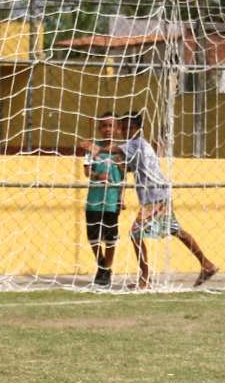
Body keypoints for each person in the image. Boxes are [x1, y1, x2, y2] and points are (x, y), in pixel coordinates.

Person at [94, 111, 217, 289]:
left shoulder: (136, 143)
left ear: (136, 128)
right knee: (176, 230)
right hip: (158, 195)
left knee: (136, 234)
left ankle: (144, 278)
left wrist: (95, 147)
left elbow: (114, 149)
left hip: (156, 197)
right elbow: (129, 166)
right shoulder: (138, 146)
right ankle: (207, 265)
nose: (122, 130)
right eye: (122, 127)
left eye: (126, 127)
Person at [79, 112, 125, 288]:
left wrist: (122, 198)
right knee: (93, 236)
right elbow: (86, 171)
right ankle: (102, 265)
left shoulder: (121, 151)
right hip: (94, 199)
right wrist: (98, 175)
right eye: (104, 126)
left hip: (112, 200)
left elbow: (123, 178)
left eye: (111, 126)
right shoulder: (92, 148)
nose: (107, 129)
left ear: (118, 129)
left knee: (110, 237)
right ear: (99, 129)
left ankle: (106, 269)